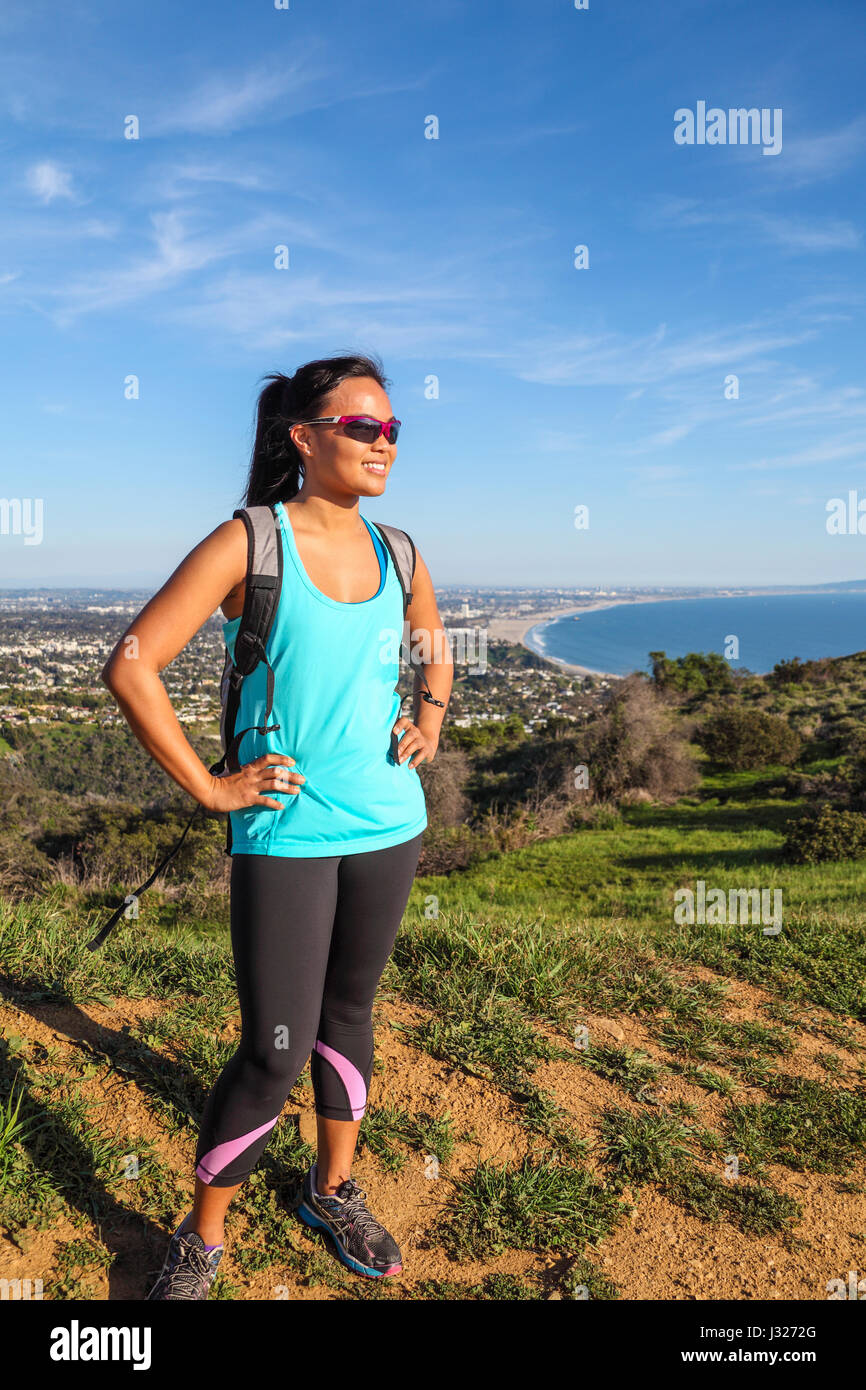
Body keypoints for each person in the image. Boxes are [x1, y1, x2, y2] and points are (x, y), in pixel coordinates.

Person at [100, 353, 452, 1299]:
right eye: (363, 428)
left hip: (389, 822)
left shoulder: (402, 550)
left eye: (393, 430)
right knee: (274, 1048)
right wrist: (212, 791)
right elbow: (132, 666)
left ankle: (330, 1189)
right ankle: (202, 1236)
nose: (384, 444)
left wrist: (428, 718)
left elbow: (432, 646)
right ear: (305, 437)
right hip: (285, 832)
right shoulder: (248, 542)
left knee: (351, 1013)